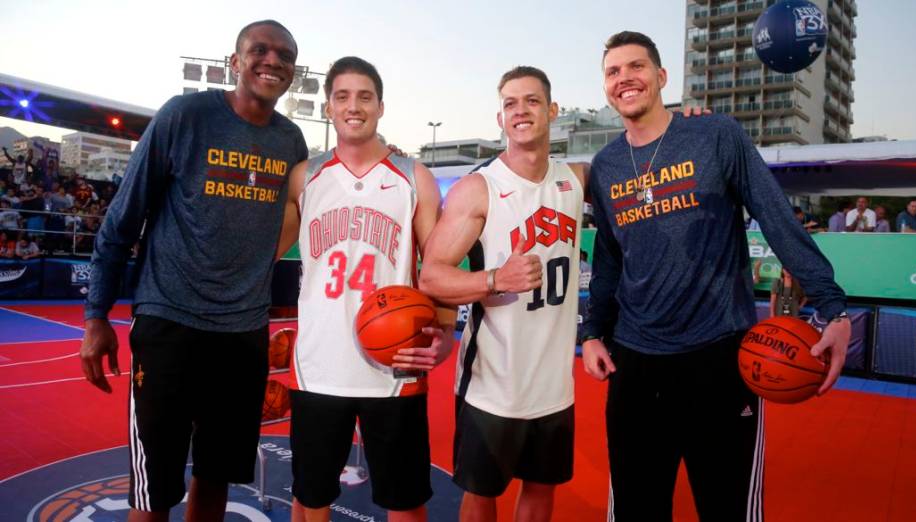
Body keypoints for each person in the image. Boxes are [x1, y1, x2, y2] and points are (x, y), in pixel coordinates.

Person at [580, 31, 850, 521]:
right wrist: (594, 332)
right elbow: (609, 262)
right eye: (613, 72)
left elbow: (776, 218)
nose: (625, 79)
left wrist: (833, 305)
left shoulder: (716, 135)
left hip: (720, 360)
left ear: (661, 77)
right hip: (636, 365)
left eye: (636, 67)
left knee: (728, 511)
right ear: (605, 87)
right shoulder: (605, 166)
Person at [80, 20, 308, 521]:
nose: (272, 61)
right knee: (154, 488)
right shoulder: (185, 116)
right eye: (260, 50)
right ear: (235, 61)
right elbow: (121, 221)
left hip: (243, 332)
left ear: (294, 70)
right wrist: (96, 317)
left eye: (285, 55)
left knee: (216, 476)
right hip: (169, 322)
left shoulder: (291, 141)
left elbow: (296, 219)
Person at [276, 56, 454, 522]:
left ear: (380, 106)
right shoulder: (305, 177)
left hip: (396, 366)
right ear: (330, 107)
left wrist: (447, 328)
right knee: (310, 497)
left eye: (364, 96)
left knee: (406, 499)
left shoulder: (413, 177)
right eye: (342, 96)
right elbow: (265, 252)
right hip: (318, 365)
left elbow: (441, 261)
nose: (353, 106)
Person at [419, 66, 586, 522]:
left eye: (531, 101)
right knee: (481, 494)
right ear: (500, 118)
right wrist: (494, 280)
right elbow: (431, 277)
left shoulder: (573, 182)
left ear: (552, 110)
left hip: (554, 384)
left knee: (540, 492)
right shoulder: (480, 189)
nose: (520, 111)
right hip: (493, 383)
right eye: (510, 104)